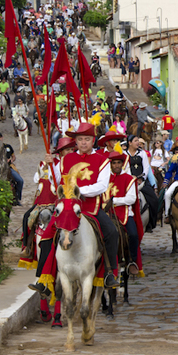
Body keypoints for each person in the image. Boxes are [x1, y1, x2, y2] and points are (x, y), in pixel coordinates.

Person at [29, 123, 121, 297]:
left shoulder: (102, 161)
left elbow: (101, 186)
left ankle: (109, 273)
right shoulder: (66, 159)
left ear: (93, 140)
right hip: (66, 210)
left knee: (111, 232)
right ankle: (43, 279)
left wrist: (77, 191)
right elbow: (55, 179)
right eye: (80, 139)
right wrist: (49, 166)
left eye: (87, 139)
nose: (83, 143)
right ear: (75, 141)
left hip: (90, 208)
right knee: (47, 237)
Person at [106, 152, 142, 276]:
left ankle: (132, 260)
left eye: (118, 163)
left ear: (122, 164)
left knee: (133, 234)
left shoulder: (129, 179)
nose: (116, 165)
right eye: (114, 163)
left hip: (126, 212)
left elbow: (131, 198)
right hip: (107, 212)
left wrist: (113, 201)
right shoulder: (105, 178)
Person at [125, 135, 159, 231]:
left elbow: (146, 168)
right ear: (129, 142)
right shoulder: (124, 153)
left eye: (138, 141)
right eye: (135, 141)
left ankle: (150, 222)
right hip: (127, 181)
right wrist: (129, 178)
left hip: (141, 181)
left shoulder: (142, 153)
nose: (138, 143)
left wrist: (141, 177)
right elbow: (124, 168)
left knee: (153, 199)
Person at [0, 132, 24, 205]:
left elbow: (13, 156)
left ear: (2, 138)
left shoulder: (8, 146)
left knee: (20, 180)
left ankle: (17, 197)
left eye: (0, 137)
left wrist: (11, 160)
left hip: (8, 167)